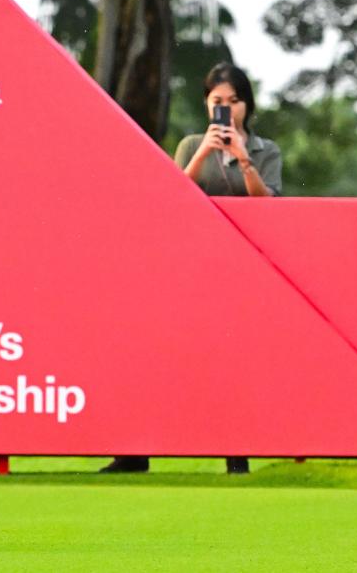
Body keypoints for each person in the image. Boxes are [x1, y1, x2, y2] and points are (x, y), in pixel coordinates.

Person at [102, 62, 282, 476]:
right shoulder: (190, 145)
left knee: (231, 363)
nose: (226, 109)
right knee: (159, 356)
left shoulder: (265, 150)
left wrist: (243, 159)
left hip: (243, 271)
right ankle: (134, 453)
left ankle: (237, 457)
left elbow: (269, 206)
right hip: (191, 269)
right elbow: (173, 196)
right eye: (217, 101)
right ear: (206, 105)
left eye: (234, 102)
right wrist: (205, 152)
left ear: (247, 105)